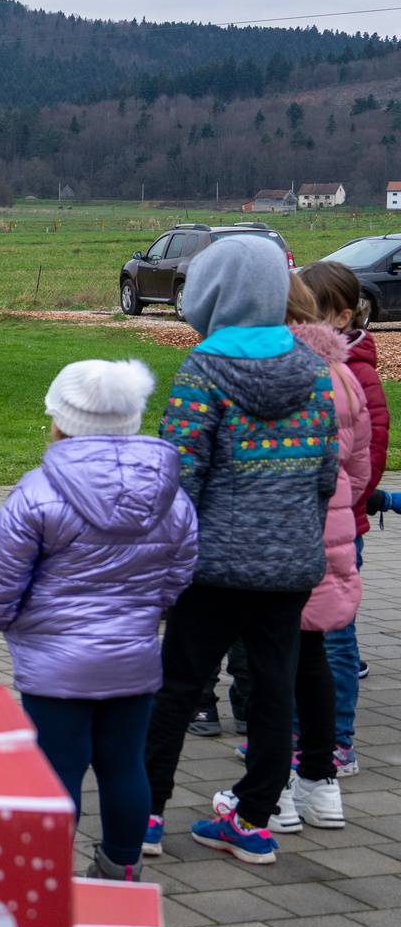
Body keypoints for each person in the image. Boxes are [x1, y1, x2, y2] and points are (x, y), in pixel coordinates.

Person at [143, 235, 337, 866]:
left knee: (177, 685)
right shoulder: (312, 370)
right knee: (275, 691)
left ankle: (145, 813)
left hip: (214, 566)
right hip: (289, 566)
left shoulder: (203, 371)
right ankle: (254, 819)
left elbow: (181, 479)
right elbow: (326, 475)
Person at [0, 359, 196, 881]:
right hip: (133, 657)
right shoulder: (170, 494)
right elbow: (180, 568)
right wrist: (148, 613)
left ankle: (45, 876)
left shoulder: (36, 492)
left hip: (55, 666)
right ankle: (122, 865)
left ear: (59, 422)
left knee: (57, 767)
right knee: (124, 765)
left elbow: (0, 574)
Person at [300, 261, 384, 779]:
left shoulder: (358, 373)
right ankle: (303, 737)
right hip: (304, 526)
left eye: (314, 314)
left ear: (344, 315)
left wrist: (336, 505)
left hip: (340, 526)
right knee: (302, 637)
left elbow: (368, 462)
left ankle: (339, 743)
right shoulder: (308, 367)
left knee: (336, 638)